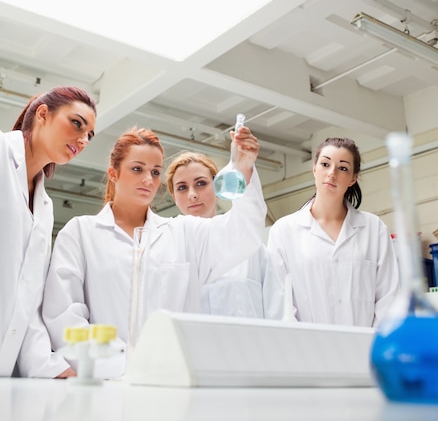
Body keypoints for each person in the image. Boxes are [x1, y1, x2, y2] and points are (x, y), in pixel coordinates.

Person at [42, 125, 267, 379]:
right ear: (113, 174)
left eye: (156, 172)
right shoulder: (81, 233)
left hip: (173, 380)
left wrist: (245, 168)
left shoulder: (183, 233)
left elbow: (245, 232)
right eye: (137, 169)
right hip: (107, 380)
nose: (148, 179)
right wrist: (119, 366)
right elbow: (64, 314)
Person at [0, 86, 97, 378]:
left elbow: (28, 300)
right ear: (43, 114)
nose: (83, 139)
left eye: (90, 135)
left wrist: (50, 366)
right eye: (77, 123)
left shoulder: (45, 206)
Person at [263, 137, 399, 327]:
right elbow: (278, 303)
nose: (332, 173)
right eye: (325, 164)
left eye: (342, 168)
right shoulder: (284, 231)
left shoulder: (374, 229)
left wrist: (371, 349)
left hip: (363, 350)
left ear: (353, 178)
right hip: (307, 351)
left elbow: (389, 300)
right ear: (314, 169)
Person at [165, 150, 267, 318]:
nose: (192, 195)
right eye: (182, 188)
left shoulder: (252, 249)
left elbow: (276, 310)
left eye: (200, 183)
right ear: (174, 197)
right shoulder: (168, 250)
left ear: (217, 187)